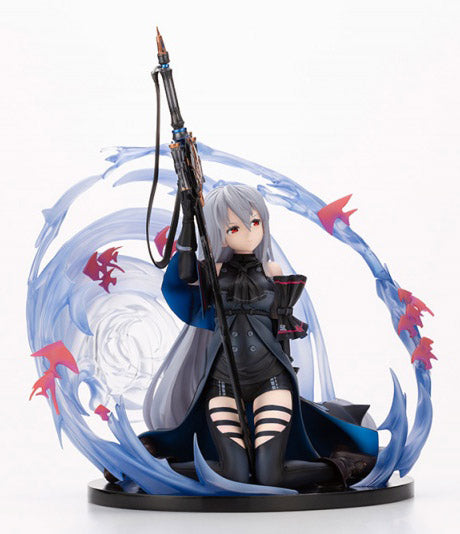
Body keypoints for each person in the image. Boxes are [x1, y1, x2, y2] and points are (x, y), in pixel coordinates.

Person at [135, 184, 378, 491]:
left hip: (271, 380)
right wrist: (188, 215)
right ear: (220, 233)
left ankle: (345, 466)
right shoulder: (213, 271)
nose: (249, 233)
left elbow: (283, 323)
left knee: (270, 476)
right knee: (232, 475)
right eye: (234, 227)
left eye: (255, 222)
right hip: (223, 382)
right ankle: (146, 465)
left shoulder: (272, 270)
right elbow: (182, 277)